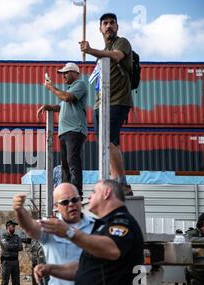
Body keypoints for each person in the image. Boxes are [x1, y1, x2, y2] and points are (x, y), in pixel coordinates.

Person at [32, 180, 144, 285]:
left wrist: (69, 232)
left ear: (106, 193)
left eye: (94, 191)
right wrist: (50, 269)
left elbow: (112, 249)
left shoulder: (121, 221)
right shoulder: (103, 225)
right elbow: (85, 267)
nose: (89, 196)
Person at [80, 13, 134, 196]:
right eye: (105, 23)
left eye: (112, 23)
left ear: (117, 27)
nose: (109, 26)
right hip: (101, 103)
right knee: (110, 145)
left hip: (117, 100)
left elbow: (117, 56)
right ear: (100, 28)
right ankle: (114, 184)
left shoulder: (122, 43)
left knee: (107, 142)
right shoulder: (102, 51)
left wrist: (90, 50)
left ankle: (123, 184)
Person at [13, 183, 94, 285]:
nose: (71, 205)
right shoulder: (51, 226)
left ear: (81, 200)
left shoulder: (95, 225)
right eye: (65, 202)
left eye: (75, 200)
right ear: (56, 206)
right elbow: (30, 226)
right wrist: (19, 211)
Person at [38, 63, 88, 198]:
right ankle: (67, 194)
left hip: (75, 130)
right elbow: (62, 105)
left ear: (75, 73)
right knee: (65, 165)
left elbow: (66, 98)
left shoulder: (80, 84)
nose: (63, 76)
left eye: (66, 73)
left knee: (73, 163)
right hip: (65, 132)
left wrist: (51, 88)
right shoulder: (70, 89)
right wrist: (48, 106)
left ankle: (76, 194)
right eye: (62, 73)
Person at [0, 220, 23, 285]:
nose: (14, 228)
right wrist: (15, 245)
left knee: (16, 283)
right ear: (8, 227)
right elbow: (7, 247)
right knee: (5, 282)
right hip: (6, 262)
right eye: (13, 226)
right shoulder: (3, 236)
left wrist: (12, 246)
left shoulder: (17, 237)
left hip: (15, 262)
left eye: (14, 227)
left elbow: (21, 247)